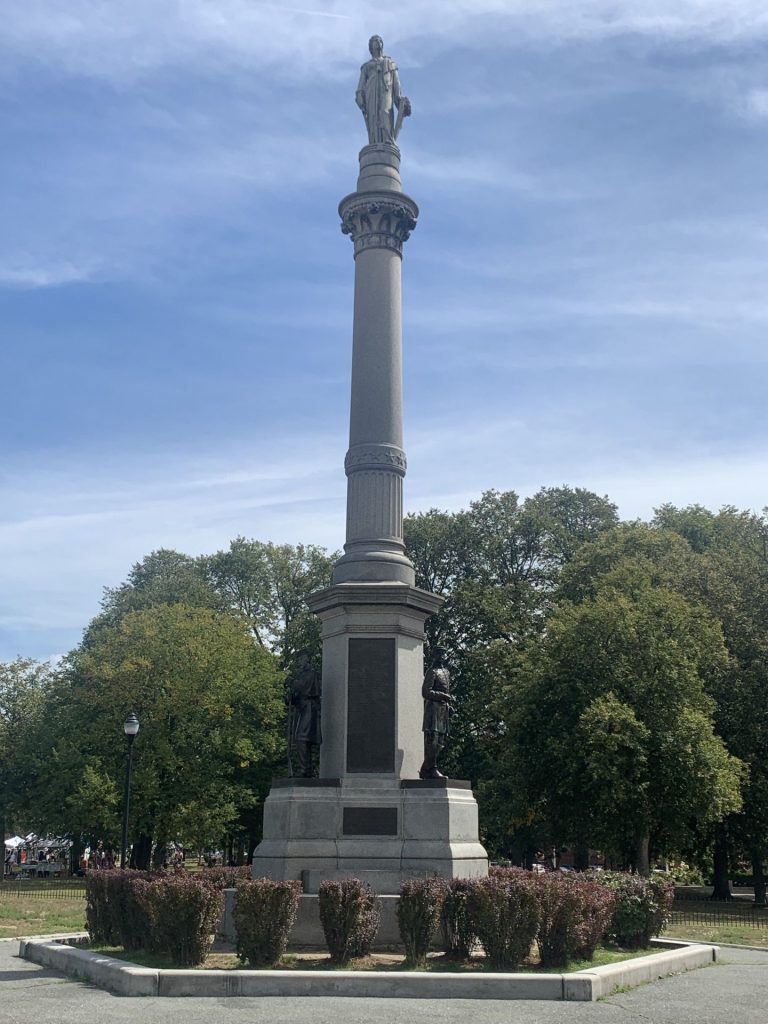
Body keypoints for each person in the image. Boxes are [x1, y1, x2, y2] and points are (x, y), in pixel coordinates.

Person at [355, 35, 411, 145]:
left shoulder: (390, 63)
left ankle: (388, 140)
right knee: (373, 118)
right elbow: (360, 86)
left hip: (386, 91)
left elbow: (396, 85)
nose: (377, 42)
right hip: (371, 93)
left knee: (385, 112)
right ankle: (374, 142)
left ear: (382, 45)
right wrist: (360, 96)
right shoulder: (367, 66)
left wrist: (401, 102)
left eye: (379, 40)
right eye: (374, 41)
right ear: (370, 47)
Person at [285, 649, 322, 778]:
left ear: (307, 659)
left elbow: (303, 687)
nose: (299, 661)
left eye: (302, 658)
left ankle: (304, 769)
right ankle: (306, 769)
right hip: (303, 709)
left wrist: (291, 682)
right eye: (298, 659)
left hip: (310, 709)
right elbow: (298, 694)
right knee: (301, 739)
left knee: (302, 738)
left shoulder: (310, 674)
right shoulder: (301, 674)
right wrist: (290, 698)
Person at [419, 647, 454, 779]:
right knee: (432, 740)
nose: (441, 656)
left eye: (443, 653)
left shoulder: (446, 672)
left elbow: (447, 693)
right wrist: (443, 696)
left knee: (441, 741)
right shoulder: (431, 672)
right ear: (434, 655)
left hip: (443, 710)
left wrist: (449, 705)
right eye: (438, 653)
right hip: (433, 710)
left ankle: (425, 768)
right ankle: (431, 768)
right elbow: (426, 692)